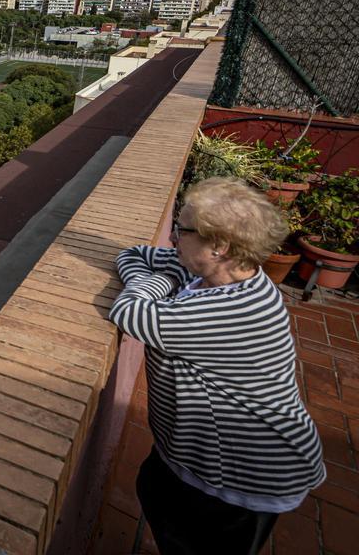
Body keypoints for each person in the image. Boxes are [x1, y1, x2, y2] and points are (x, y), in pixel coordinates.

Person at [110, 177, 325, 555]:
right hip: (198, 456)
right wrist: (170, 277)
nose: (174, 237)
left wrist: (160, 281)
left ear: (220, 247)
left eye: (183, 230)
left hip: (244, 476)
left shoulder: (234, 310)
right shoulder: (208, 274)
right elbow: (131, 255)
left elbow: (129, 312)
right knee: (153, 491)